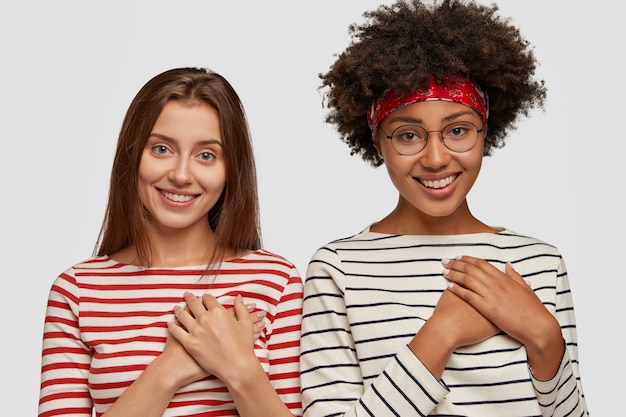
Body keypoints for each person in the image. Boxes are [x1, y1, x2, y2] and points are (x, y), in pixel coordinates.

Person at [299, 1, 589, 416]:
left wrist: (544, 336)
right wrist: (441, 333)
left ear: (486, 132)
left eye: (457, 130)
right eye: (408, 135)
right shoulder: (338, 267)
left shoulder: (540, 261)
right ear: (377, 141)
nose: (435, 158)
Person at [38, 67, 303, 417]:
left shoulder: (276, 281)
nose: (180, 175)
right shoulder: (77, 291)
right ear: (133, 155)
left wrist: (239, 367)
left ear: (230, 169)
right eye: (162, 149)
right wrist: (171, 367)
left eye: (206, 155)